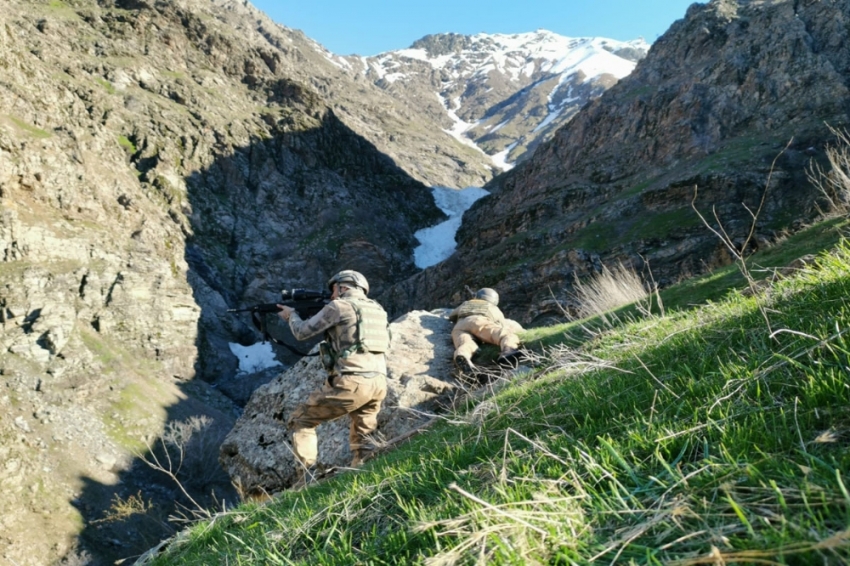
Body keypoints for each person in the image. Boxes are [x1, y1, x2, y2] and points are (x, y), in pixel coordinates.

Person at [277, 270, 390, 487]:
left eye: (334, 290)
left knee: (302, 420)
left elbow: (301, 332)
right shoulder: (378, 310)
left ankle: (306, 480)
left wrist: (291, 316)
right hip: (378, 382)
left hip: (352, 381)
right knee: (364, 439)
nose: (331, 296)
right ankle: (364, 480)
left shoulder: (339, 307)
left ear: (343, 287)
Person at [448, 287, 522, 377]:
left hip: (459, 327)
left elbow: (451, 316)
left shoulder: (466, 303)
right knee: (505, 335)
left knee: (467, 344)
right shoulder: (493, 307)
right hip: (480, 322)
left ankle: (462, 356)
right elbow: (502, 324)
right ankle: (508, 350)